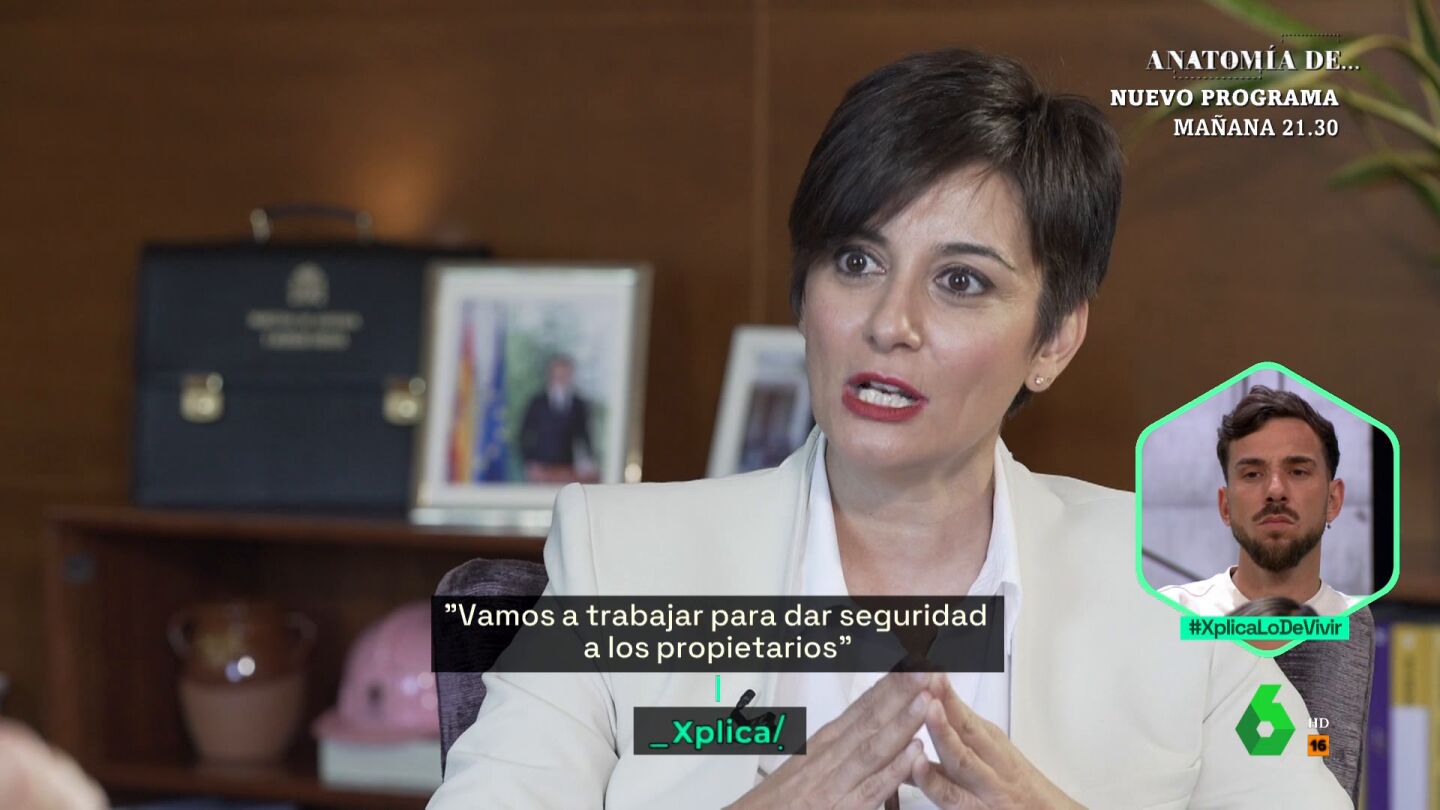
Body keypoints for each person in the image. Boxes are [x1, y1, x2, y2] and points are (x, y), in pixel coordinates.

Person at [430, 49, 1349, 808]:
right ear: (804, 293)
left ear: (1054, 341)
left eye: (961, 281)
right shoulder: (622, 561)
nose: (889, 323)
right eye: (857, 261)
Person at [1160, 386, 1359, 617]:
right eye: (1252, 474)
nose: (1275, 490)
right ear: (1226, 506)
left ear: (1333, 500)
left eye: (1298, 472)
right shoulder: (1169, 611)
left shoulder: (1357, 621)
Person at [519, 354, 597, 483]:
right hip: (541, 469)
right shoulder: (537, 402)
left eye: (564, 374)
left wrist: (588, 462)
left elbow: (584, 437)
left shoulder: (578, 405)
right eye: (558, 373)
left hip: (567, 469)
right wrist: (529, 462)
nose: (561, 377)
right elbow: (524, 434)